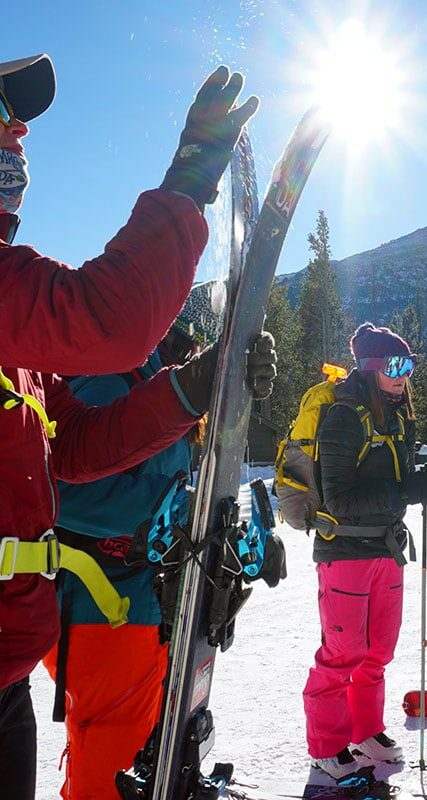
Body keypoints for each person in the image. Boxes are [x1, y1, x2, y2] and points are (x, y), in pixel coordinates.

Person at [0, 53, 261, 798]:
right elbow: (108, 318)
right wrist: (189, 179)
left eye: (16, 122)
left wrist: (190, 389)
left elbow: (73, 446)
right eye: (0, 116)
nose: (16, 136)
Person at [43, 286, 273, 800]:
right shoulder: (113, 381)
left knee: (140, 749)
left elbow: (164, 493)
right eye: (189, 335)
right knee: (111, 762)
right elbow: (59, 489)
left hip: (138, 599)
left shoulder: (162, 391)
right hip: (98, 603)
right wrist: (167, 512)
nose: (192, 348)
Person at [303, 322, 427, 779]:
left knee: (378, 651)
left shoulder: (395, 416)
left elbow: (396, 482)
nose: (403, 375)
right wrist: (406, 490)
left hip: (387, 548)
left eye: (408, 365)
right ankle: (326, 745)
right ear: (371, 368)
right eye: (394, 365)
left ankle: (366, 730)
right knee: (341, 654)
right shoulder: (345, 417)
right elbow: (339, 501)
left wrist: (422, 480)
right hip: (345, 551)